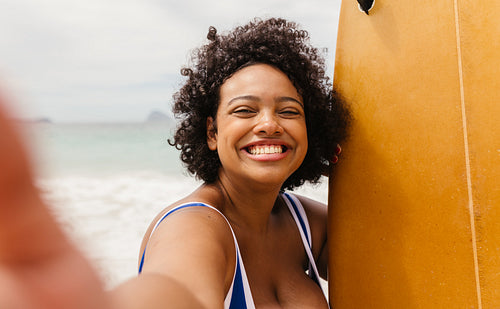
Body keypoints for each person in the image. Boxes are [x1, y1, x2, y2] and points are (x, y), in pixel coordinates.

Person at [0, 17, 349, 309]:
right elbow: (174, 291)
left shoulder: (304, 223)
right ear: (211, 132)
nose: (270, 124)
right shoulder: (195, 228)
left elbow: (388, 254)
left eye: (289, 112)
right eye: (245, 110)